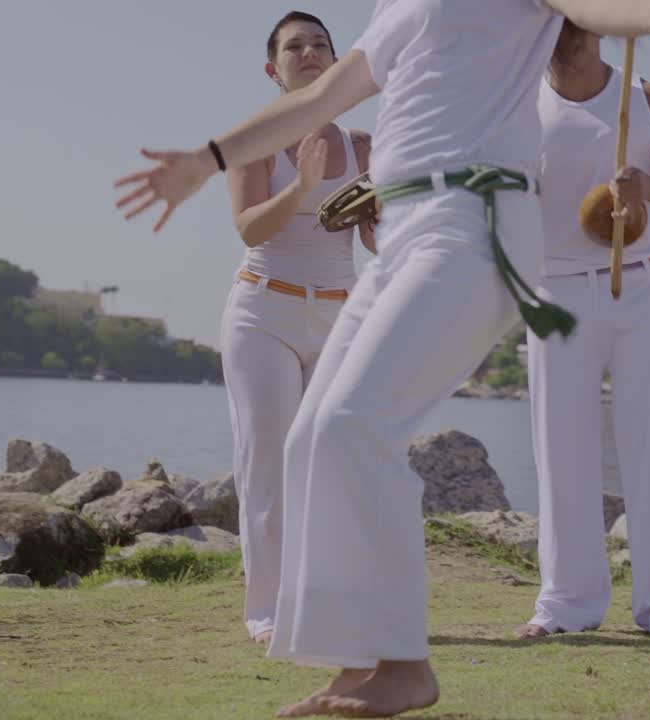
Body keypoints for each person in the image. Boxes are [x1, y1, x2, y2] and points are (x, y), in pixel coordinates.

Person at [115, 2, 650, 716]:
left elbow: (590, 3)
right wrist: (206, 159)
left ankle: (403, 664)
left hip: (471, 224)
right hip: (404, 228)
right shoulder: (401, 7)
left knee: (355, 424)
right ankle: (354, 659)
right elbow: (319, 99)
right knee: (314, 438)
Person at [516, 20, 650, 641]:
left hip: (643, 283)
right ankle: (566, 603)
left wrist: (649, 188)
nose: (565, 24)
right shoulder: (515, 101)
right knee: (561, 449)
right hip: (554, 290)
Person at [221, 11, 375, 647]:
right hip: (264, 312)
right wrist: (305, 186)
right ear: (272, 68)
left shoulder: (364, 147)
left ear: (335, 62)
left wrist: (385, 216)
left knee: (331, 459)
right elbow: (249, 227)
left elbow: (374, 235)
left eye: (320, 45)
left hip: (340, 311)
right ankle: (266, 610)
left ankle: (325, 599)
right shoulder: (252, 140)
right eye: (294, 47)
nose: (309, 53)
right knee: (268, 465)